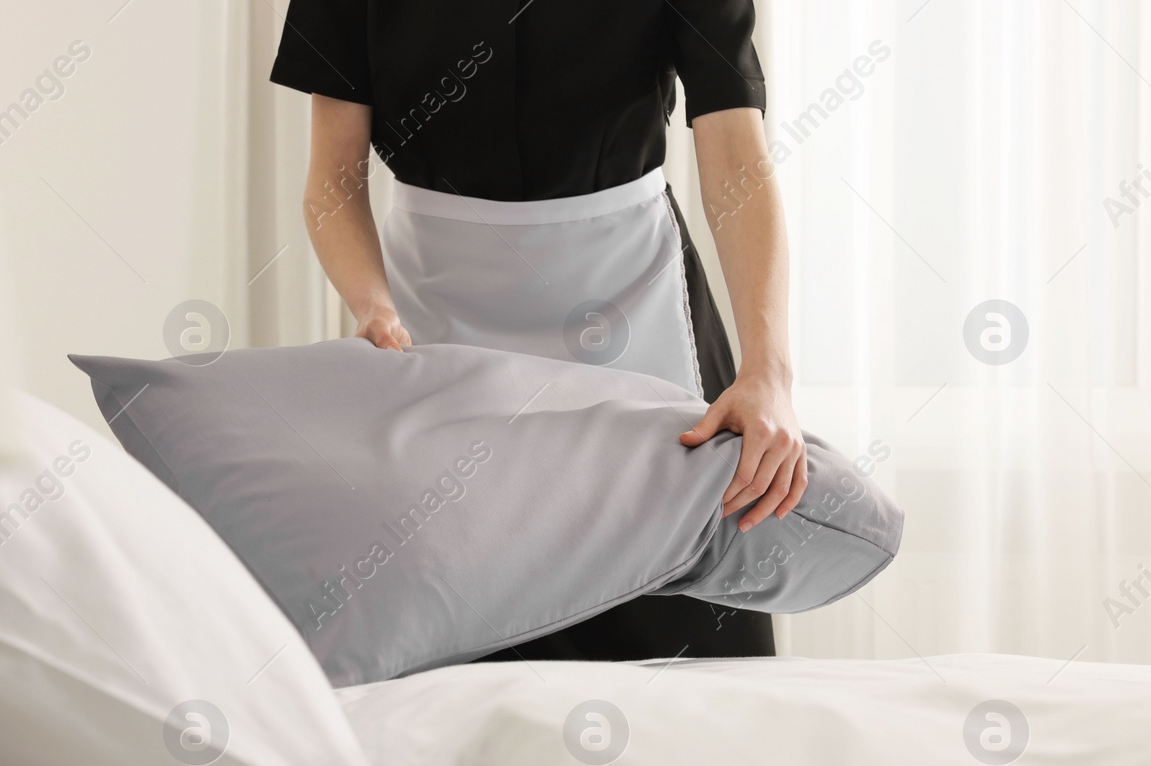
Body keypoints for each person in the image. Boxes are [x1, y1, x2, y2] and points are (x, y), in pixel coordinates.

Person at [270, 1, 802, 660]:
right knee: (453, 663)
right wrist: (372, 305)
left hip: (636, 312)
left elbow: (736, 155)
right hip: (436, 328)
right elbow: (332, 178)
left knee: (688, 669)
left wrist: (769, 374)